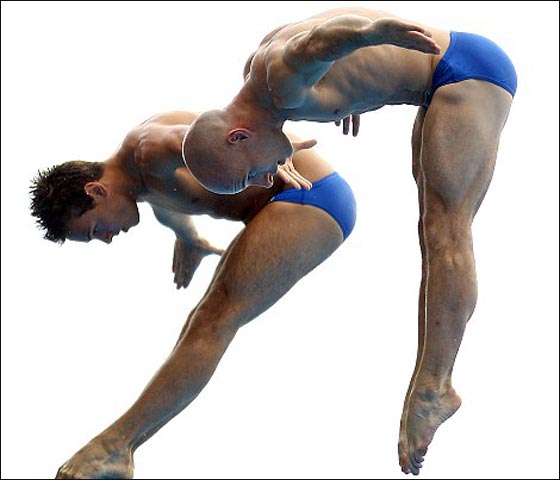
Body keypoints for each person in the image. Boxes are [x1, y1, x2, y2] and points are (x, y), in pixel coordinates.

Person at [181, 7, 517, 475]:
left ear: (238, 136)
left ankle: (435, 386)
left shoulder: (281, 82)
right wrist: (355, 88)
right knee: (431, 230)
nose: (265, 179)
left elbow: (317, 40)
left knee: (447, 230)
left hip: (467, 73)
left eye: (249, 174)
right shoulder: (262, 85)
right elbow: (310, 42)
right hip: (442, 77)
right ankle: (431, 382)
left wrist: (370, 34)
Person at [29, 110, 357, 478]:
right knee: (202, 321)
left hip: (309, 194)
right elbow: (170, 209)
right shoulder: (141, 181)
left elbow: (213, 137)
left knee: (213, 321)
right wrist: (189, 238)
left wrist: (275, 149)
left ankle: (112, 447)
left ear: (95, 191)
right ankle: (120, 447)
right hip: (286, 203)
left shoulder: (149, 150)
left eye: (95, 230)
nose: (106, 239)